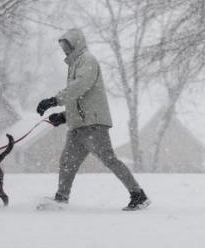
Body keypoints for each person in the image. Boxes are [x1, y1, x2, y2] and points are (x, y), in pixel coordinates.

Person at [36, 27, 149, 211]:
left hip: (93, 125)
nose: (64, 49)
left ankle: (138, 195)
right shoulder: (74, 65)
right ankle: (61, 198)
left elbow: (79, 87)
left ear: (76, 43)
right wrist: (64, 116)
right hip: (79, 126)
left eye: (67, 45)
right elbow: (80, 100)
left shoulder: (87, 61)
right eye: (62, 46)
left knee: (109, 160)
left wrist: (54, 100)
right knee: (67, 161)